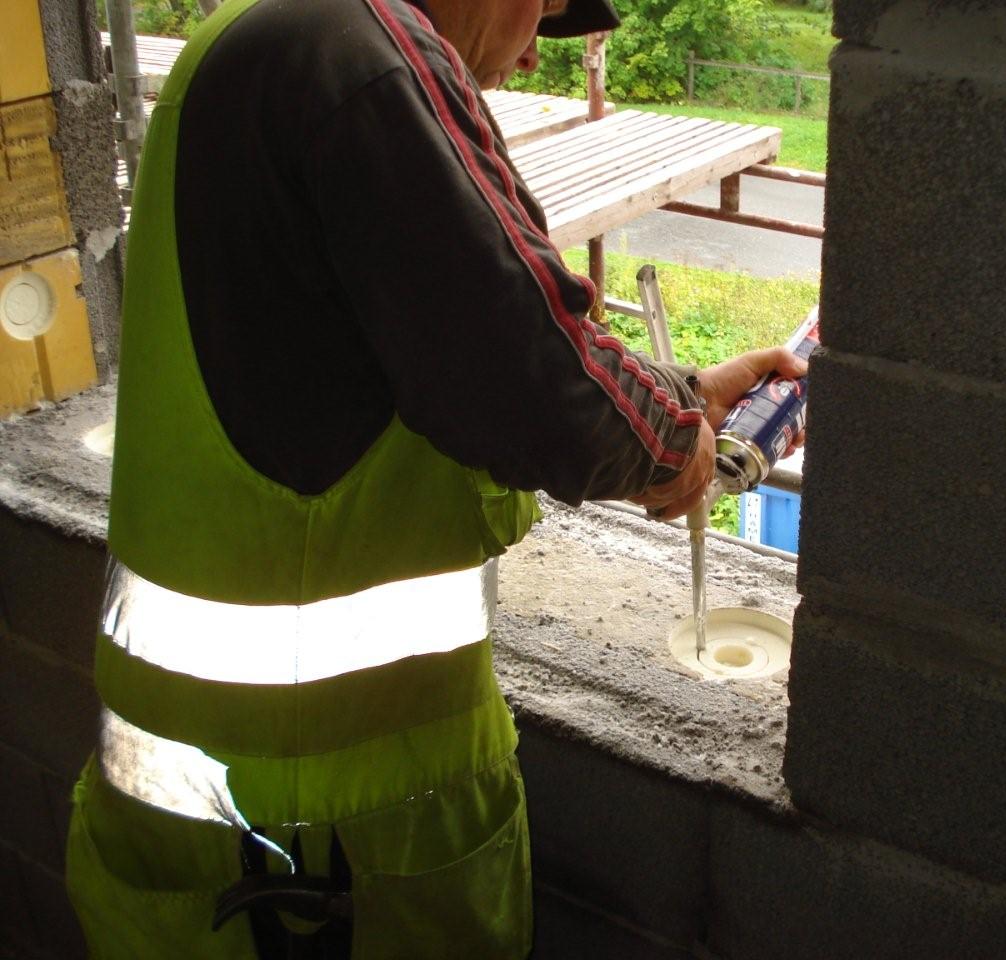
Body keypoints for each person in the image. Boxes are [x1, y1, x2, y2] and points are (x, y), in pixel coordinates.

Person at [67, 0, 807, 956]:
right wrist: (676, 446)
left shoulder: (252, 36)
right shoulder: (361, 56)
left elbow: (414, 339)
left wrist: (689, 394)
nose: (533, 53)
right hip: (327, 849)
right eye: (543, 8)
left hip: (194, 808)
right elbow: (537, 383)